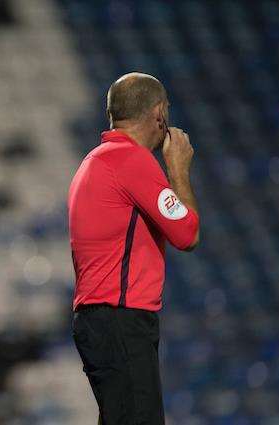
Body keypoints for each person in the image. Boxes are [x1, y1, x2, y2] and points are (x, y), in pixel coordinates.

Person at [68, 73, 200, 424]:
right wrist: (177, 169)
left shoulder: (93, 161)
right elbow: (187, 233)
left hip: (100, 319)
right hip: (120, 319)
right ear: (159, 113)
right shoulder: (132, 161)